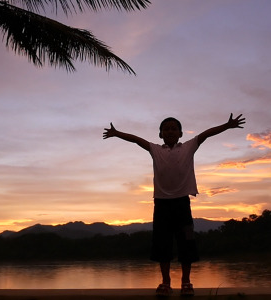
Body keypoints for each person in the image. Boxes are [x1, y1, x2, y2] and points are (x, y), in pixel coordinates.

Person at [102, 113, 245, 297]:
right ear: (160, 134)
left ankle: (186, 282)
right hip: (161, 205)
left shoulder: (188, 147)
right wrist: (117, 133)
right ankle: (166, 282)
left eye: (174, 128)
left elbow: (206, 134)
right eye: (166, 128)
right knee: (162, 244)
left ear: (180, 133)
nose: (170, 131)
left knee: (186, 243)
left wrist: (227, 126)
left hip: (182, 203)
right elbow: (136, 140)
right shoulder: (155, 149)